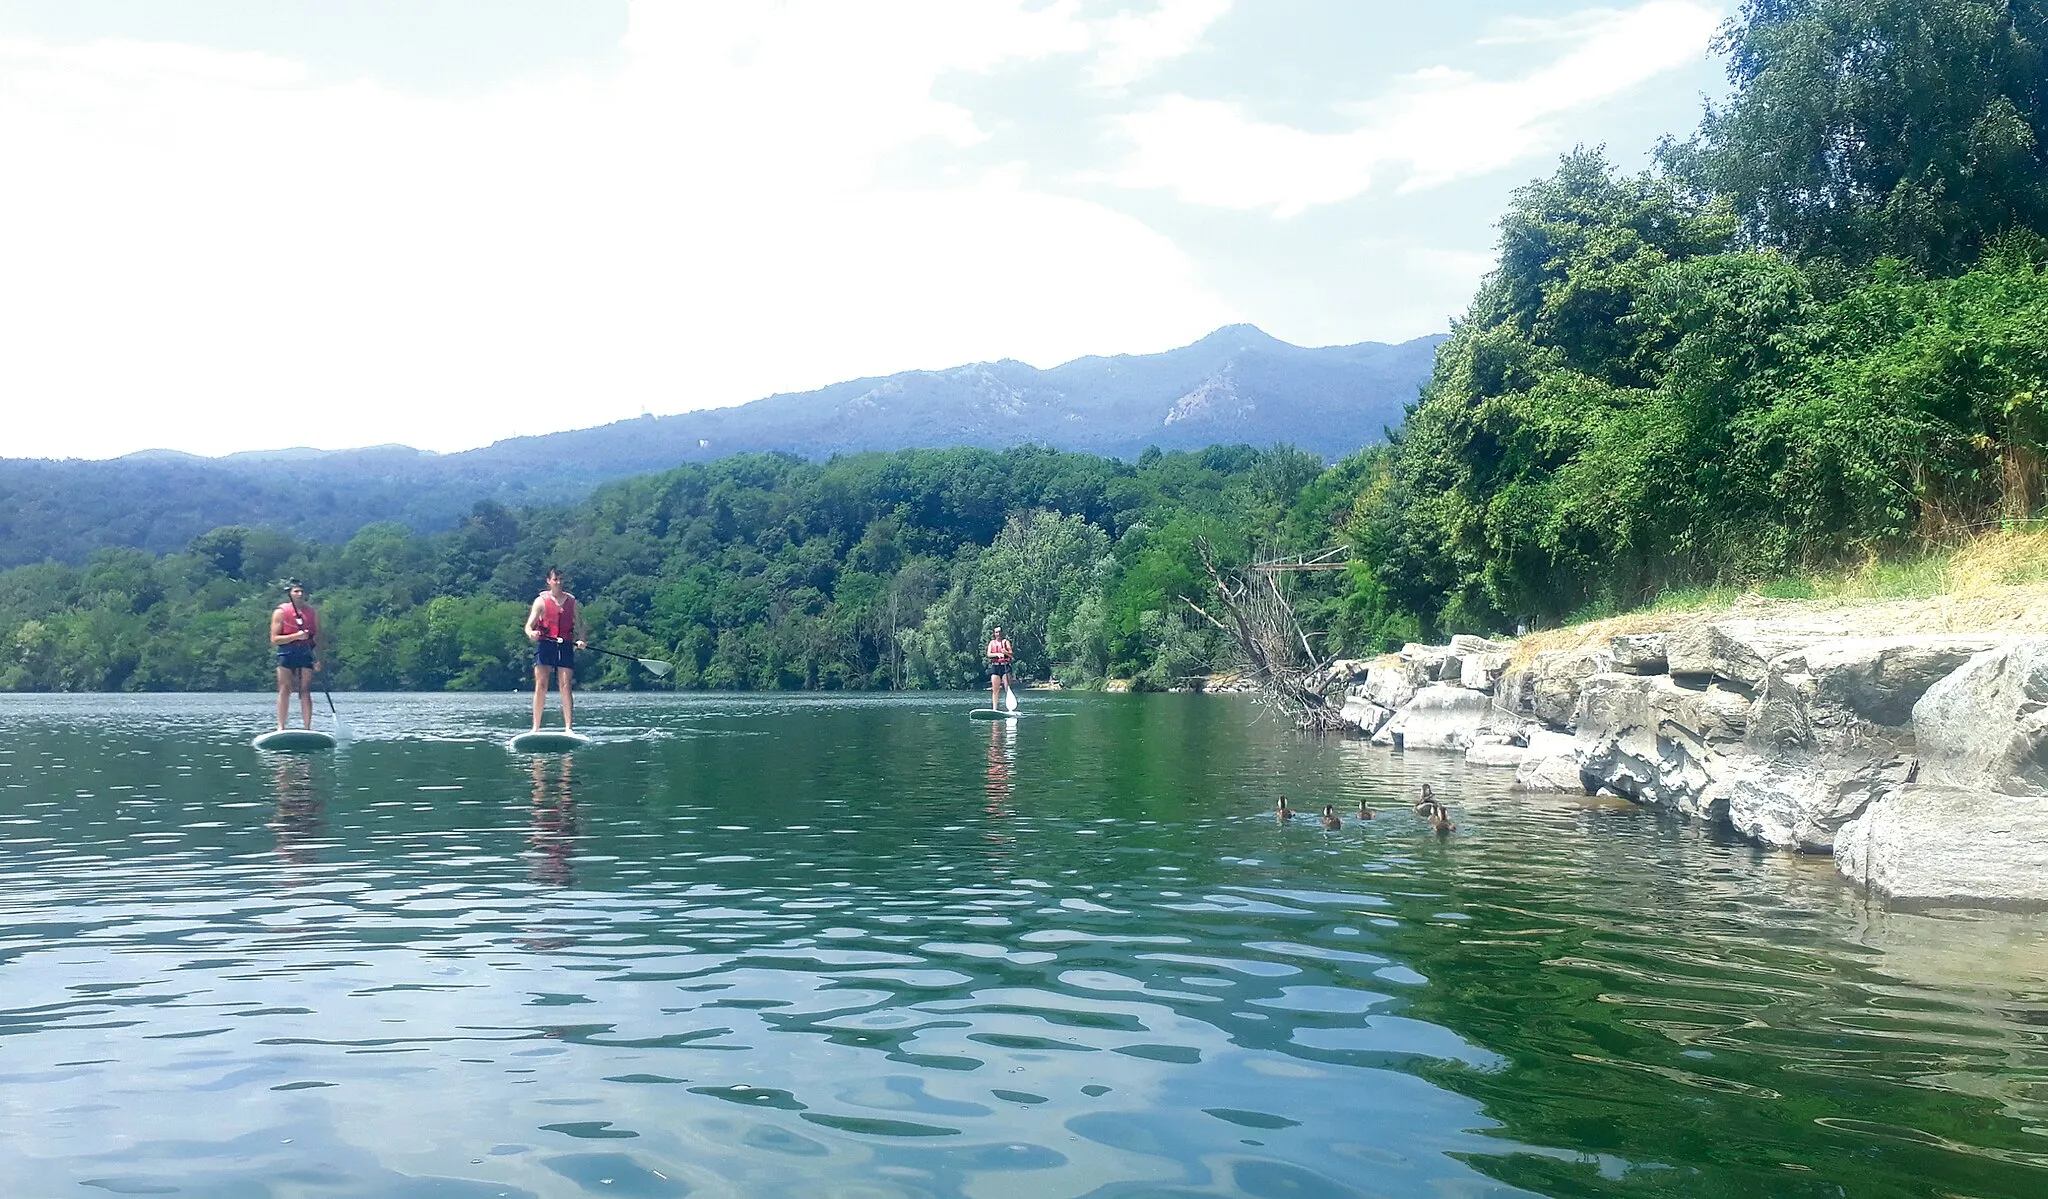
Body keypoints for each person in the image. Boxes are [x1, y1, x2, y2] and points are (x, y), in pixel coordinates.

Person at [524, 567, 586, 732]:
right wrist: (532, 633)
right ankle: (535, 728)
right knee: (541, 685)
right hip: (546, 644)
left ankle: (568, 728)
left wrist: (581, 640)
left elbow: (580, 626)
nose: (558, 583)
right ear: (549, 581)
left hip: (565, 645)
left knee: (565, 685)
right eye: (555, 579)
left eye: (561, 580)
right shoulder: (541, 601)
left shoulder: (572, 602)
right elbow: (528, 626)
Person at [269, 581, 321, 731]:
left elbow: (317, 638)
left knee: (305, 690)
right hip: (287, 652)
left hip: (306, 653)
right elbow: (275, 639)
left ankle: (307, 727)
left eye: (302, 591)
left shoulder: (312, 612)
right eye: (296, 591)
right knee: (285, 688)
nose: (300, 594)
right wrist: (296, 636)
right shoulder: (280, 612)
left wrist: (318, 660)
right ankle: (281, 726)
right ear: (290, 593)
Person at [985, 625, 1015, 711]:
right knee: (995, 689)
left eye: (999, 632)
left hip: (1004, 667)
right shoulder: (992, 643)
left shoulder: (1006, 642)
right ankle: (995, 709)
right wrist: (997, 654)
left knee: (1007, 687)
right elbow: (989, 654)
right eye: (996, 632)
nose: (998, 634)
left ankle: (1010, 708)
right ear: (994, 634)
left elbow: (1011, 654)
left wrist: (1005, 652)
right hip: (995, 667)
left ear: (1002, 633)